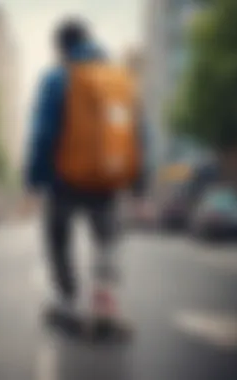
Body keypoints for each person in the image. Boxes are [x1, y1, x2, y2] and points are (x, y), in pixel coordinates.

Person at [24, 18, 147, 336]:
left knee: (58, 237)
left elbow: (43, 132)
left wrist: (35, 177)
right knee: (106, 240)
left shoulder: (56, 77)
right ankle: (105, 309)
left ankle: (67, 304)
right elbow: (137, 131)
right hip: (106, 179)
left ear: (60, 47)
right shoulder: (120, 79)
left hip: (64, 179)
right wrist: (139, 179)